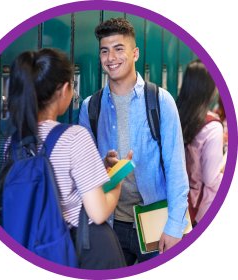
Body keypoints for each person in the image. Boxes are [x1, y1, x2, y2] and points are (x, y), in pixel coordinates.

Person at [0, 48, 127, 269]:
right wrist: (117, 183)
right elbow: (98, 212)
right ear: (64, 89)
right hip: (85, 250)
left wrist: (99, 167)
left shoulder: (13, 144)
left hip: (41, 248)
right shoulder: (74, 136)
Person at [79, 18, 189, 265]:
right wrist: (103, 164)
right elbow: (86, 172)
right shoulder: (90, 107)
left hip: (156, 221)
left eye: (119, 49)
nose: (111, 57)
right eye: (104, 51)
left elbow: (176, 170)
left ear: (135, 53)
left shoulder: (161, 101)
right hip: (111, 224)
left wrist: (174, 226)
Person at [176, 59, 223, 227]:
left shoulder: (176, 114)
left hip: (175, 204)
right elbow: (211, 179)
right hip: (199, 209)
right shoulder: (213, 127)